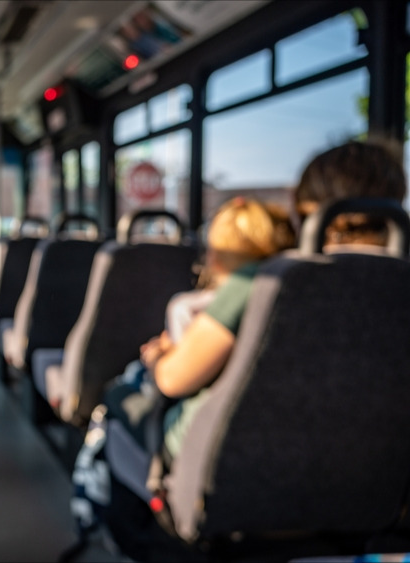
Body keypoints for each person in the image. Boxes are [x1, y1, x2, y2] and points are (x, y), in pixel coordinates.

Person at [66, 139, 407, 560]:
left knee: (120, 405)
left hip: (229, 472)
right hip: (368, 484)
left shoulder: (267, 282)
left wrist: (157, 360)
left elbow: (174, 380)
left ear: (308, 207)